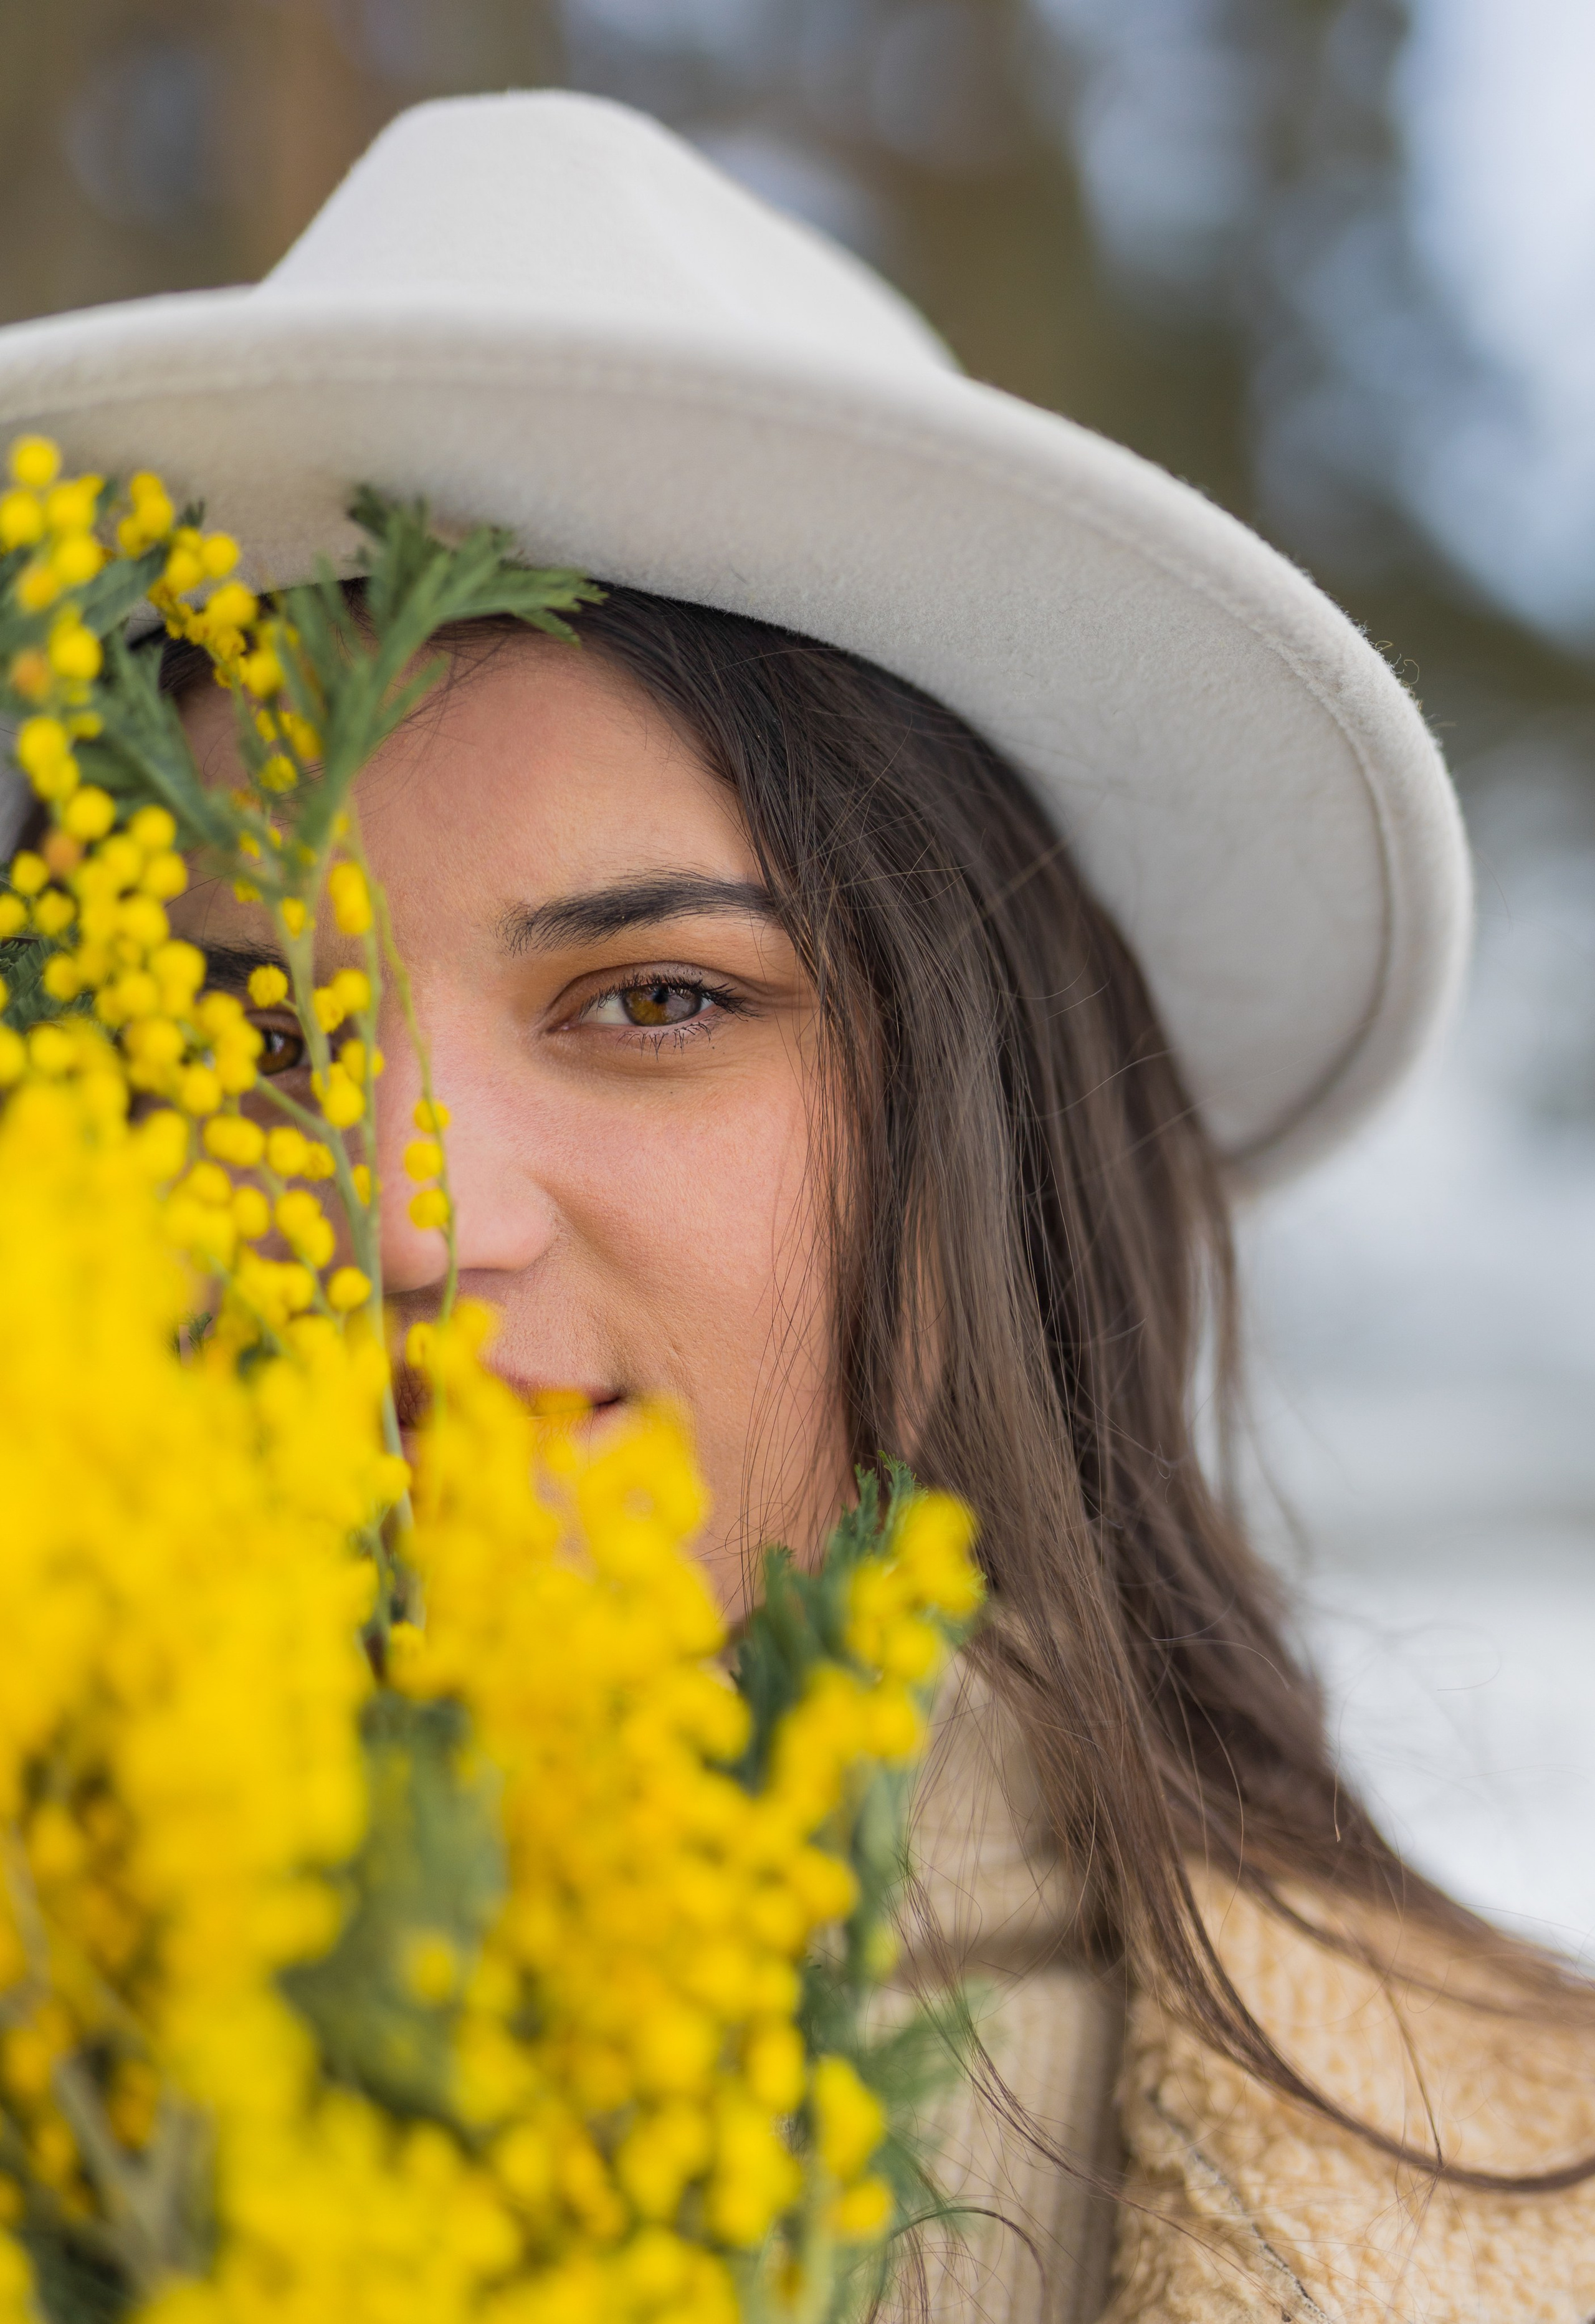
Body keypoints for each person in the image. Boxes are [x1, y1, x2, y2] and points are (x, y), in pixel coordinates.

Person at [3, 89, 1593, 2323]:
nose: (401, 1224)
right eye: (256, 1034)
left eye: (651, 997)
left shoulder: (1525, 2211)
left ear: (984, 1144)